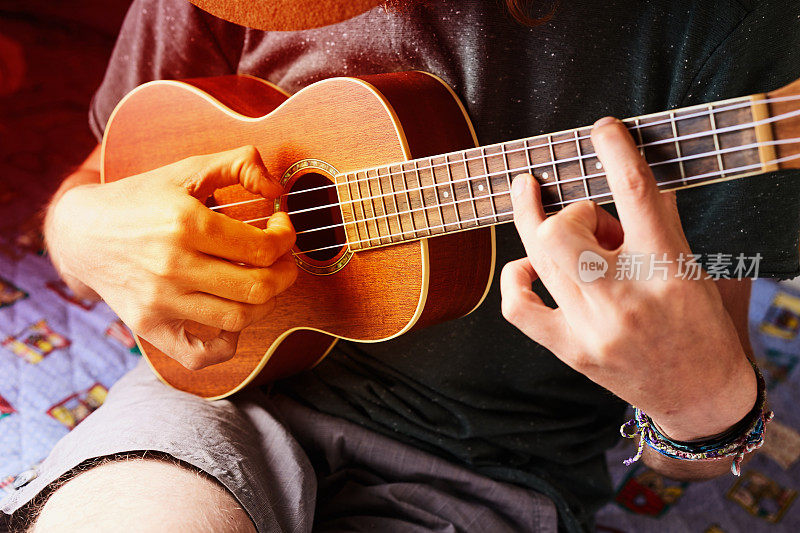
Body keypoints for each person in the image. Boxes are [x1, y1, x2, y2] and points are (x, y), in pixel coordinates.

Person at [3, 0, 799, 531]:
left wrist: (699, 403)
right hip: (225, 393)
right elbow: (107, 173)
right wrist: (79, 230)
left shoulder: (721, 35)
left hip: (487, 471)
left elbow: (696, 453)